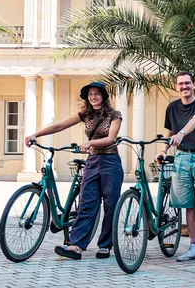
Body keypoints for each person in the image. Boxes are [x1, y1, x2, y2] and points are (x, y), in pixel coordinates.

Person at [25, 81, 123, 260]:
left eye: (97, 93)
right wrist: (36, 134)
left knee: (111, 205)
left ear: (103, 96)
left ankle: (105, 245)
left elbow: (111, 139)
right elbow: (60, 126)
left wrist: (90, 143)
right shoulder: (85, 115)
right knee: (87, 203)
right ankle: (76, 245)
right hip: (93, 162)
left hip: (110, 162)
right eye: (90, 94)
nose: (93, 97)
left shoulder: (114, 115)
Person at [157, 71, 195, 262]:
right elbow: (169, 131)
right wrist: (164, 150)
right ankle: (193, 247)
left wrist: (182, 133)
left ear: (194, 84)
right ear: (176, 86)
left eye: (187, 83)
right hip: (181, 158)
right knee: (188, 206)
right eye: (180, 84)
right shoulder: (172, 107)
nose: (184, 87)